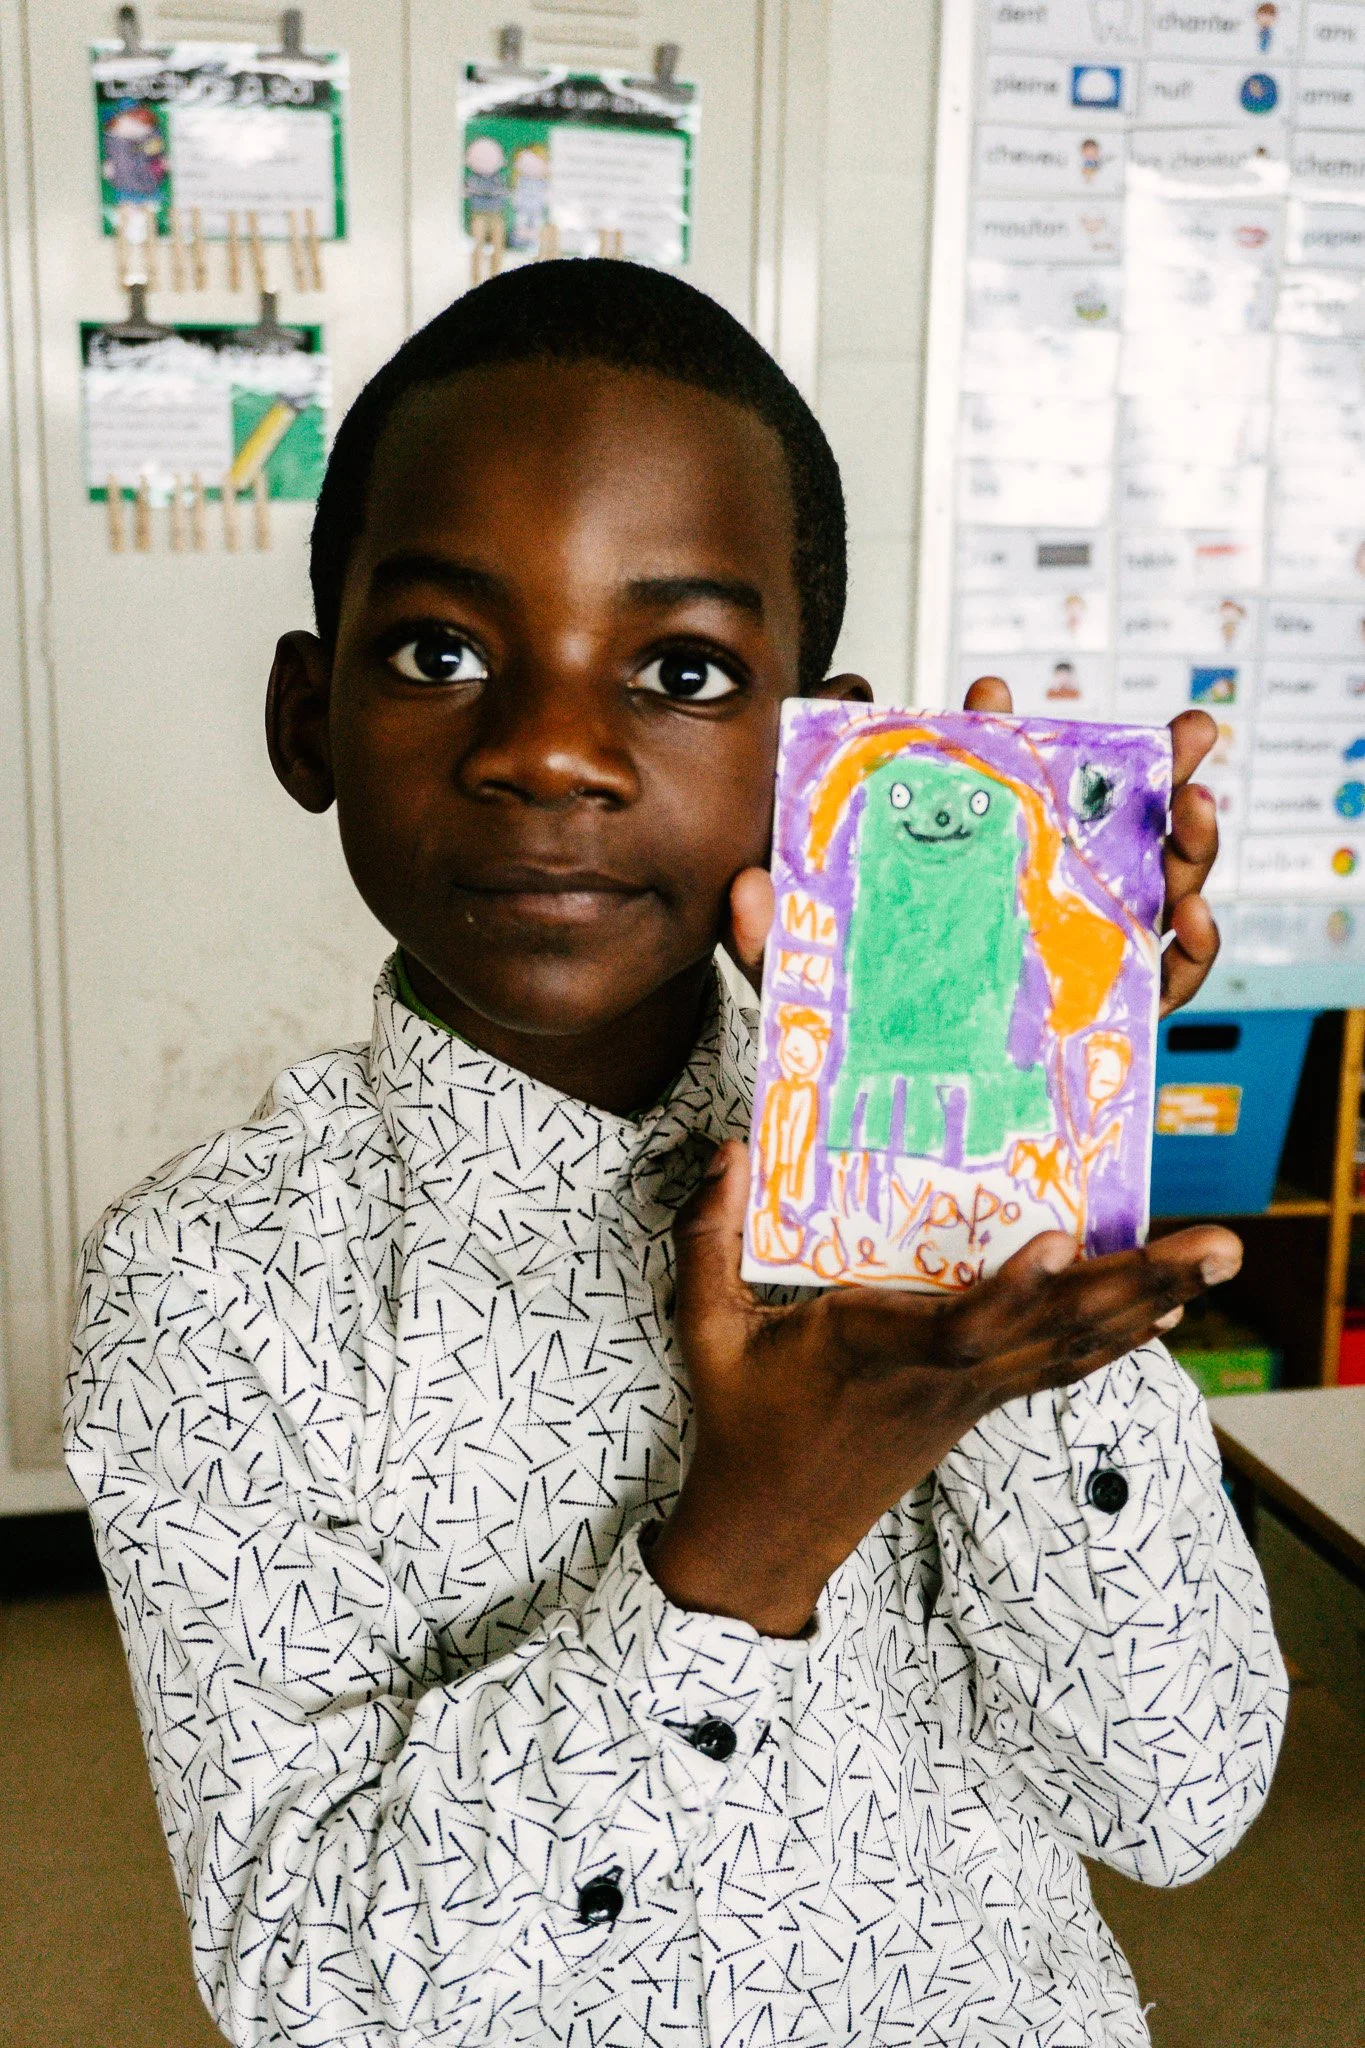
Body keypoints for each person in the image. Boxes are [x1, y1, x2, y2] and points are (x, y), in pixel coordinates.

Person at [65, 261, 1283, 2047]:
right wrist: (745, 1548)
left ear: (817, 754)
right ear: (308, 719)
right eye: (442, 653)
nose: (551, 753)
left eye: (683, 670)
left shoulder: (936, 1166)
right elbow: (311, 1990)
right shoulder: (210, 1284)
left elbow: (1176, 1801)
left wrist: (1015, 1152)